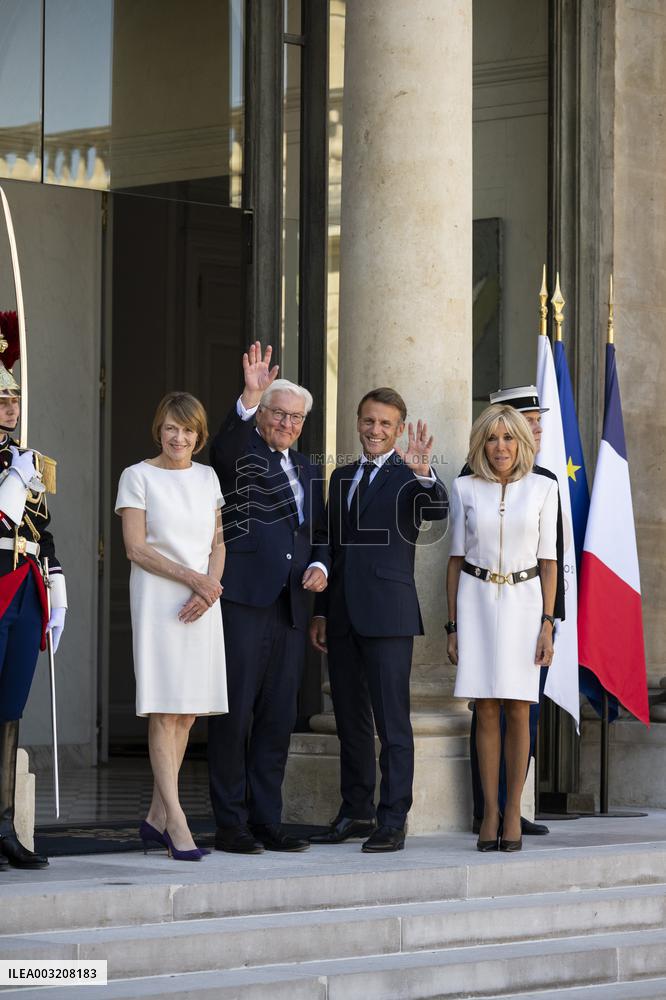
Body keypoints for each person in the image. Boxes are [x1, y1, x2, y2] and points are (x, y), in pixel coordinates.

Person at [309, 388, 448, 853]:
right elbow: (328, 544)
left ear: (399, 429)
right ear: (357, 421)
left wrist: (425, 474)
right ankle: (355, 810)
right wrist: (323, 611)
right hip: (343, 617)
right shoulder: (341, 476)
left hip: (389, 618)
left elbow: (437, 513)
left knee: (393, 725)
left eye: (385, 424)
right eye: (369, 421)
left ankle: (393, 819)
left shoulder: (410, 476)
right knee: (350, 720)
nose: (375, 430)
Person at [208, 342, 329, 855]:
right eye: (278, 412)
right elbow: (225, 447)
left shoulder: (306, 467)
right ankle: (230, 822)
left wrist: (321, 566)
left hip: (291, 610)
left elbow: (318, 533)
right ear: (262, 415)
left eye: (296, 417)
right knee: (234, 717)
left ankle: (266, 819)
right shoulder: (241, 453)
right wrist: (250, 395)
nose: (286, 423)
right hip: (244, 602)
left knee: (277, 719)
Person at [116, 391, 227, 862]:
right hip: (160, 599)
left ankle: (156, 816)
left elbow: (218, 543)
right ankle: (177, 822)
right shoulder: (137, 476)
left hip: (202, 600)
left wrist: (210, 589)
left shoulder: (207, 477)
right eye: (170, 428)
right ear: (159, 429)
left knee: (186, 713)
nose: (178, 437)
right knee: (165, 708)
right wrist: (192, 579)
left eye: (187, 430)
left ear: (199, 437)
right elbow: (136, 549)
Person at [447, 403, 558, 852]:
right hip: (475, 601)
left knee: (518, 709)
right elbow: (454, 561)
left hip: (525, 603)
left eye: (509, 437)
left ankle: (513, 809)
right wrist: (451, 625)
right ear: (481, 445)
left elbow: (549, 564)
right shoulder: (464, 488)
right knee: (486, 708)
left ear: (523, 442)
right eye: (492, 438)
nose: (500, 447)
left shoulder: (543, 489)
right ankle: (489, 810)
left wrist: (548, 625)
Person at [0, 311, 66, 871]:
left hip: (25, 592)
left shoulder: (29, 459)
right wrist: (14, 482)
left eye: (14, 400)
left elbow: (43, 532)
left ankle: (3, 824)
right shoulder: (17, 468)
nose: (11, 409)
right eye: (1, 401)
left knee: (9, 708)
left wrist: (59, 588)